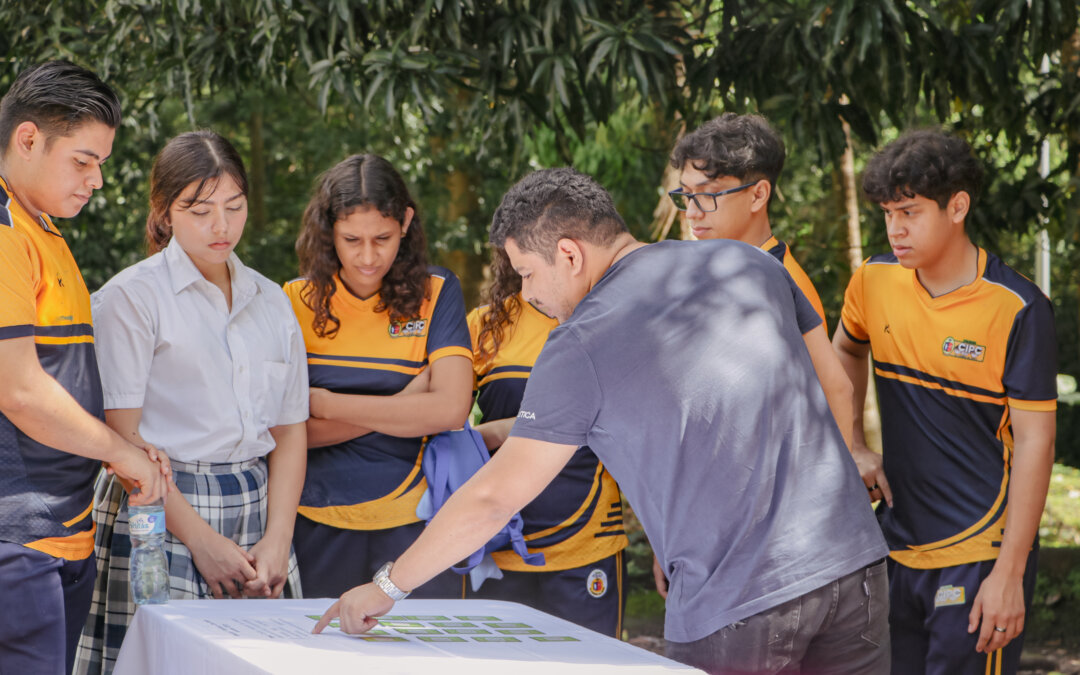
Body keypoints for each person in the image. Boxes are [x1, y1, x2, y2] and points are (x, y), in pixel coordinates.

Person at [314, 167, 891, 675]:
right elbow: (804, 387)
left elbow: (494, 497)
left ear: (569, 254)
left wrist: (388, 586)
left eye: (527, 273)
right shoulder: (749, 265)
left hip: (740, 596)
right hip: (853, 564)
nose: (527, 294)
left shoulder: (580, 342)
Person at [75, 130, 309, 674]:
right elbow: (121, 438)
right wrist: (200, 540)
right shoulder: (132, 298)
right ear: (165, 212)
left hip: (257, 509)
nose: (222, 226)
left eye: (234, 206)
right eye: (200, 210)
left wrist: (278, 538)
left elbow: (291, 430)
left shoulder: (273, 302)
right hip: (160, 509)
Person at [832, 129, 1057, 675]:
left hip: (978, 554)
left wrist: (1009, 573)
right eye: (888, 213)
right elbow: (844, 354)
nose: (895, 228)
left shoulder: (1019, 308)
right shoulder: (874, 280)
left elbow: (1035, 443)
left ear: (958, 206)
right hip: (894, 544)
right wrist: (854, 445)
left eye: (909, 211)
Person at [0, 61, 169, 675]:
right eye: (83, 160)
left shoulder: (40, 227)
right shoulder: (3, 233)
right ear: (27, 139)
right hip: (16, 540)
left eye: (101, 163)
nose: (97, 180)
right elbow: (19, 390)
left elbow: (62, 376)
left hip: (61, 530)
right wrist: (120, 455)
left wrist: (122, 446)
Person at [286, 153, 473, 599]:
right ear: (328, 229)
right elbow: (286, 433)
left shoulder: (437, 293)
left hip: (416, 526)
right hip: (315, 521)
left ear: (406, 222)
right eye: (351, 239)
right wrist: (409, 401)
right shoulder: (294, 301)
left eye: (383, 238)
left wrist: (325, 403)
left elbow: (449, 409)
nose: (368, 257)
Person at [465, 248, 628, 637]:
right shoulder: (484, 324)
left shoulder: (610, 320)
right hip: (496, 543)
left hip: (587, 541)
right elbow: (444, 429)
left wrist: (506, 430)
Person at [669, 112, 827, 327]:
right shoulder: (709, 272)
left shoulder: (787, 291)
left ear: (758, 195)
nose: (691, 213)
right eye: (687, 195)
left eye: (708, 195)